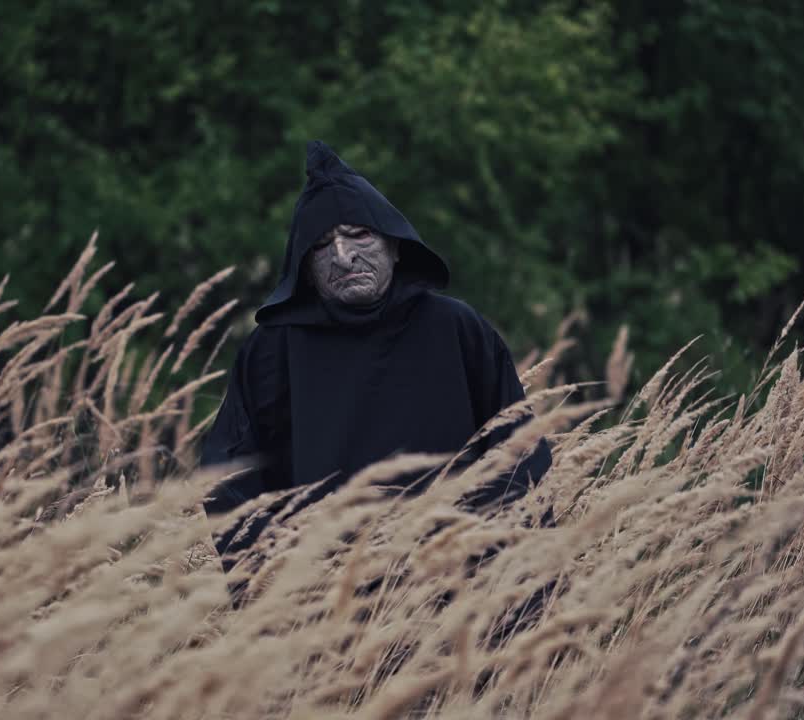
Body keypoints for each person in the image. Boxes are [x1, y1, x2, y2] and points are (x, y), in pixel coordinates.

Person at [200, 141, 552, 566]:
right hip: (324, 591)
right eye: (322, 245)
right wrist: (276, 571)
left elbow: (518, 453)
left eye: (358, 235)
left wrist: (485, 562)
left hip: (455, 580)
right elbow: (227, 480)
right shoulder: (273, 350)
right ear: (305, 267)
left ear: (395, 244)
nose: (343, 256)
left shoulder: (455, 329)